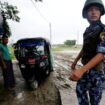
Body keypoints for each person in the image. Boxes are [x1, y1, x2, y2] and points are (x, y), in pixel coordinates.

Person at [69, 0, 105, 105]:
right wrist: (75, 61)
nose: (93, 12)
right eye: (90, 10)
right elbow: (84, 47)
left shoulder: (103, 29)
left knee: (94, 99)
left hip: (97, 72)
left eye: (96, 9)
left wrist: (81, 71)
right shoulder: (88, 30)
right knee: (80, 90)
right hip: (85, 68)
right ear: (86, 14)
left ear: (100, 12)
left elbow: (101, 54)